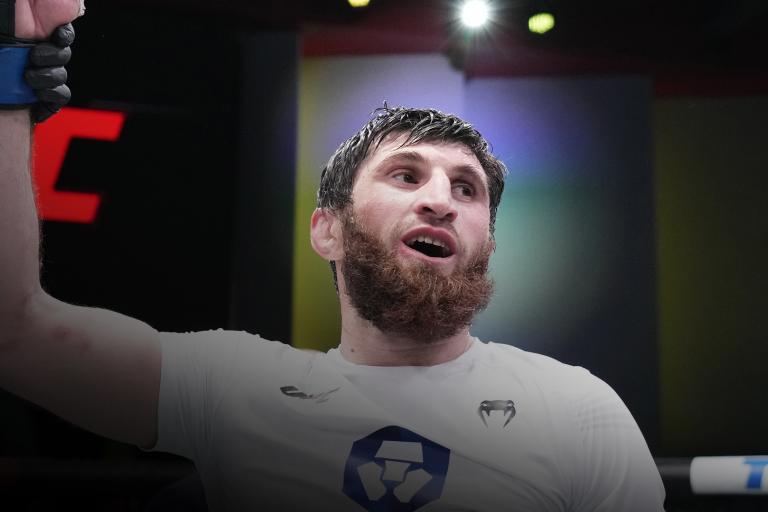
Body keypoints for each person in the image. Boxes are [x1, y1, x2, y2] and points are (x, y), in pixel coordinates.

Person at [0, 2, 665, 510]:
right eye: (406, 175)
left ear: (487, 243)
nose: (442, 200)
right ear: (328, 232)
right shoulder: (235, 387)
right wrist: (8, 80)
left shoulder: (575, 408)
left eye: (467, 189)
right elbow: (15, 333)